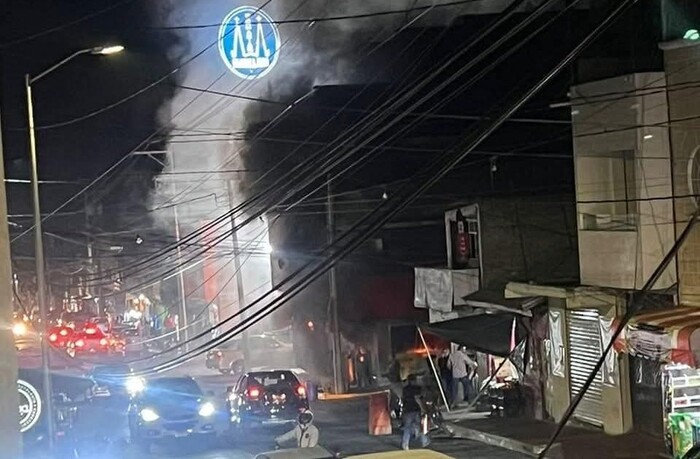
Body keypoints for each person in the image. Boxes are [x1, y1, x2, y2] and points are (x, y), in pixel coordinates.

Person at [401, 374, 430, 450]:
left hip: (407, 410)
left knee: (407, 427)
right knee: (420, 426)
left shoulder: (405, 389)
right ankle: (424, 441)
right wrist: (423, 408)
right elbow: (418, 399)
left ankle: (405, 444)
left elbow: (403, 398)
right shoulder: (417, 389)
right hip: (415, 409)